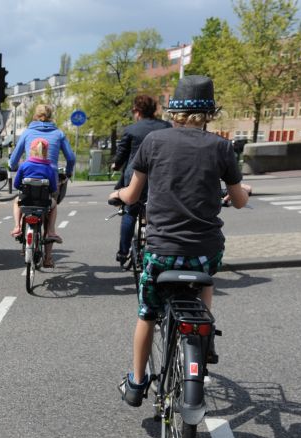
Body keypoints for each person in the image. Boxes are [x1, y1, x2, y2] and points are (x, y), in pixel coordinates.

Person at [113, 75, 251, 406]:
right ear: (209, 113)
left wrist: (117, 193)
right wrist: (242, 191)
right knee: (205, 279)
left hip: (162, 251)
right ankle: (204, 336)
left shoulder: (154, 143)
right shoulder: (221, 147)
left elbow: (133, 195)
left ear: (175, 112)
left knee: (147, 312)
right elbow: (240, 200)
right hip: (205, 252)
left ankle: (136, 382)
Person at [110, 95, 171, 264]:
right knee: (160, 213)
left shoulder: (131, 130)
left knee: (130, 211)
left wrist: (115, 165)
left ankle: (123, 252)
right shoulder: (166, 127)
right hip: (160, 175)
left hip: (136, 177)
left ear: (137, 111)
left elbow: (122, 155)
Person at [8, 104, 75, 240]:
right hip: (50, 177)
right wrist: (68, 173)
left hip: (28, 176)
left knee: (22, 201)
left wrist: (13, 166)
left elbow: (14, 158)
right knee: (50, 208)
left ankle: (20, 229)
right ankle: (49, 256)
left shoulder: (27, 132)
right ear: (51, 117)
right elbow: (71, 158)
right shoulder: (58, 133)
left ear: (35, 116)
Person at [11, 138, 62, 268]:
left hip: (26, 201)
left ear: (31, 150)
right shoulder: (49, 168)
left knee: (17, 201)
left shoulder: (24, 165)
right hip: (43, 204)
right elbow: (53, 189)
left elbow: (16, 184)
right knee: (54, 205)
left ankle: (17, 226)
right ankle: (50, 231)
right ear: (46, 152)